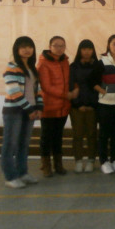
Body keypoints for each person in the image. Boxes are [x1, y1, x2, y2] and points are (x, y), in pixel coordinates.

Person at [1, 36, 43, 188]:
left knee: (23, 145)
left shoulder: (32, 69)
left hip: (29, 111)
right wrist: (29, 109)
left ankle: (22, 173)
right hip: (14, 112)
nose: (27, 50)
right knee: (10, 145)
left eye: (30, 47)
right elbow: (14, 92)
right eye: (23, 47)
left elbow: (38, 90)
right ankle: (10, 177)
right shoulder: (11, 67)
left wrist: (39, 108)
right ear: (17, 50)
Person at [38, 36, 77, 177]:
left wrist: (75, 89)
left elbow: (70, 80)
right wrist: (65, 94)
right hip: (49, 107)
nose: (59, 48)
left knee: (58, 136)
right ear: (50, 47)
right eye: (56, 45)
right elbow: (46, 86)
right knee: (46, 137)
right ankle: (46, 166)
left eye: (62, 46)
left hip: (63, 107)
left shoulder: (65, 61)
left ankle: (58, 164)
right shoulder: (43, 63)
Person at [93, 34, 115, 174]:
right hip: (105, 104)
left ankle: (114, 160)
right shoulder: (102, 61)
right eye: (114, 43)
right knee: (104, 135)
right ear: (109, 45)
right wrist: (103, 91)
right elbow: (92, 81)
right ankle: (104, 161)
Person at [69, 39, 99, 173]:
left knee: (92, 134)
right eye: (84, 49)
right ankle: (78, 160)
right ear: (79, 51)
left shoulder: (98, 66)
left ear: (93, 51)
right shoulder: (73, 67)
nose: (87, 52)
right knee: (77, 135)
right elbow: (71, 86)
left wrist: (93, 104)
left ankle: (91, 160)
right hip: (77, 107)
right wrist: (78, 104)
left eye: (89, 49)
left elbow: (99, 86)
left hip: (93, 106)